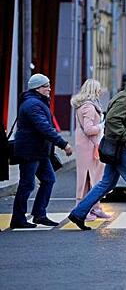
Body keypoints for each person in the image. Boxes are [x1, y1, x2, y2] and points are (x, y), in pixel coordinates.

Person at [68, 75, 126, 231]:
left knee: (106, 183)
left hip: (116, 148)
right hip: (121, 148)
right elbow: (112, 120)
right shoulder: (125, 100)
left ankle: (78, 213)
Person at [10, 74, 73, 229]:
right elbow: (44, 127)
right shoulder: (33, 105)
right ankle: (18, 218)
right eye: (46, 86)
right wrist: (63, 144)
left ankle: (39, 214)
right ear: (37, 88)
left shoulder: (38, 102)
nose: (49, 89)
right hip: (29, 151)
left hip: (40, 151)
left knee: (48, 180)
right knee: (27, 184)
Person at [71, 79, 111, 221]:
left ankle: (95, 207)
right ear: (93, 90)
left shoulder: (87, 105)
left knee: (94, 177)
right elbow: (88, 129)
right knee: (86, 178)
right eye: (98, 89)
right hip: (87, 146)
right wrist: (101, 126)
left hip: (89, 145)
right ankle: (81, 209)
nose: (100, 91)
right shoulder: (89, 107)